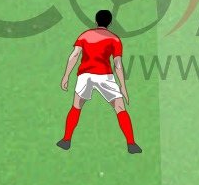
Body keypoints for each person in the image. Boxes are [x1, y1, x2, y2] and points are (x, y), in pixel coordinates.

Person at [57, 8, 141, 153]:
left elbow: (74, 55)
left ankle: (66, 140)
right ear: (110, 23)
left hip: (85, 76)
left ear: (96, 22)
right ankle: (131, 144)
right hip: (105, 76)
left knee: (76, 106)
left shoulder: (85, 35)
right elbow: (118, 64)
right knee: (120, 108)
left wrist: (66, 76)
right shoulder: (114, 39)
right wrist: (123, 86)